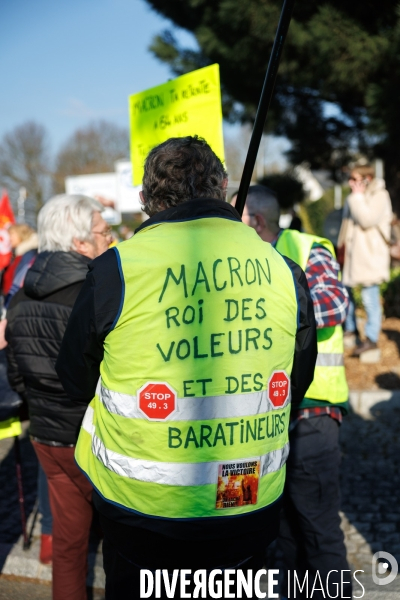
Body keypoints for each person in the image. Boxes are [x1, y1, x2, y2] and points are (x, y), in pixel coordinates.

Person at [56, 136, 317, 599]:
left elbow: (74, 380)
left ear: (144, 201)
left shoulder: (117, 269)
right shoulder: (283, 270)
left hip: (143, 515)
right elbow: (299, 380)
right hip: (244, 501)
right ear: (222, 187)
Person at [237, 185, 351, 599]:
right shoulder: (237, 260)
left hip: (310, 417)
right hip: (259, 423)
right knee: (277, 531)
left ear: (258, 222)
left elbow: (334, 304)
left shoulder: (306, 248)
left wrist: (264, 317)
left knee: (318, 531)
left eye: (237, 218)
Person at [5, 194, 112, 600]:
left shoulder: (19, 296)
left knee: (68, 546)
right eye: (103, 233)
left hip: (47, 438)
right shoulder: (96, 293)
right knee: (126, 544)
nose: (109, 241)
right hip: (92, 441)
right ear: (80, 243)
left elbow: (17, 376)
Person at [339, 164, 392, 355]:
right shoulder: (353, 197)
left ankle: (371, 339)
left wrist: (358, 197)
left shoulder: (380, 195)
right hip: (353, 257)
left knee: (370, 298)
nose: (351, 183)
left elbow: (367, 219)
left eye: (355, 179)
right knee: (347, 295)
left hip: (370, 256)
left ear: (366, 179)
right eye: (350, 179)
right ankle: (351, 331)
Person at [2, 223, 38, 300]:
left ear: (21, 235)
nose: (9, 238)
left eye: (12, 234)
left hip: (16, 301)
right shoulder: (16, 255)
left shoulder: (28, 255)